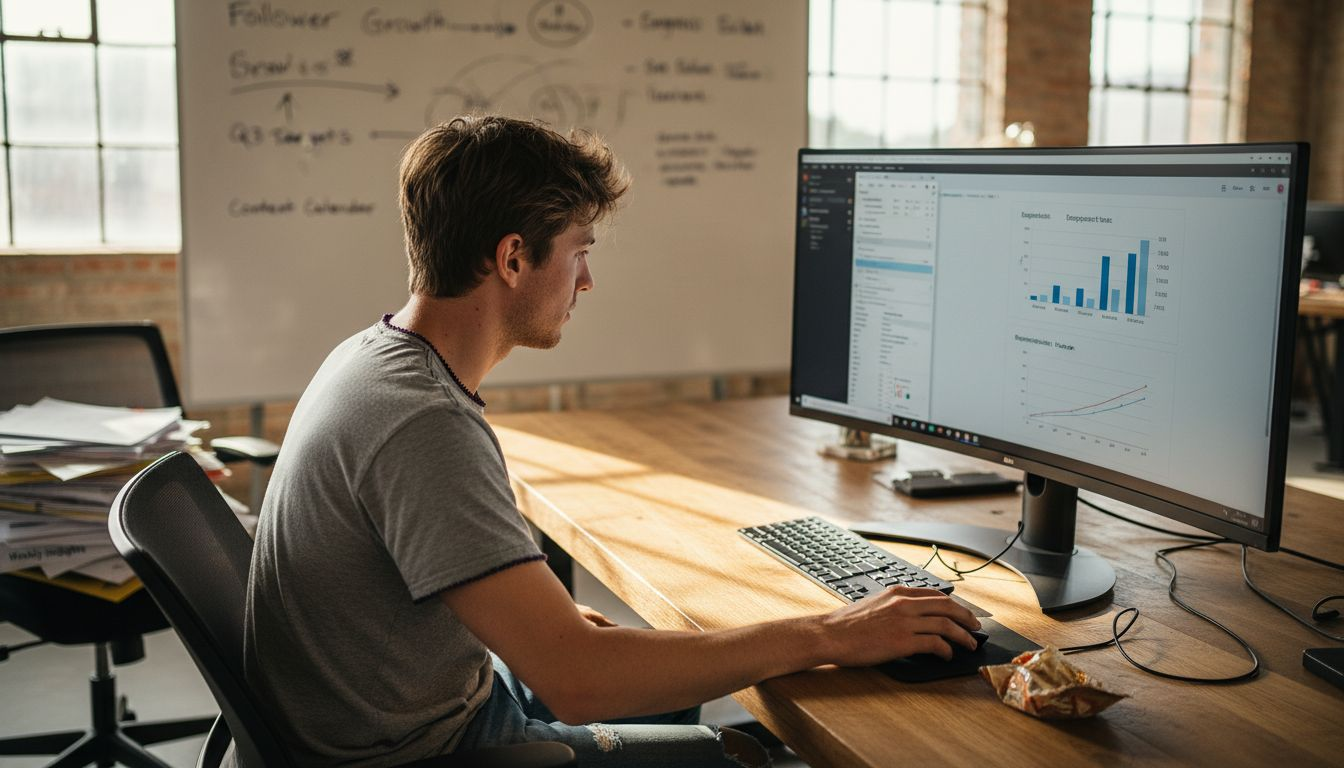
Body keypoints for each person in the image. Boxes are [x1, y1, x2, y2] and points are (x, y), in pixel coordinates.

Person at [242, 115, 982, 768]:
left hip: (399, 709)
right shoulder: (425, 423)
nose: (588, 279)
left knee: (666, 678)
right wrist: (831, 633)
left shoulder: (372, 357)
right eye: (579, 251)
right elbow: (578, 683)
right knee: (733, 754)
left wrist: (548, 627)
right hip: (427, 750)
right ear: (512, 258)